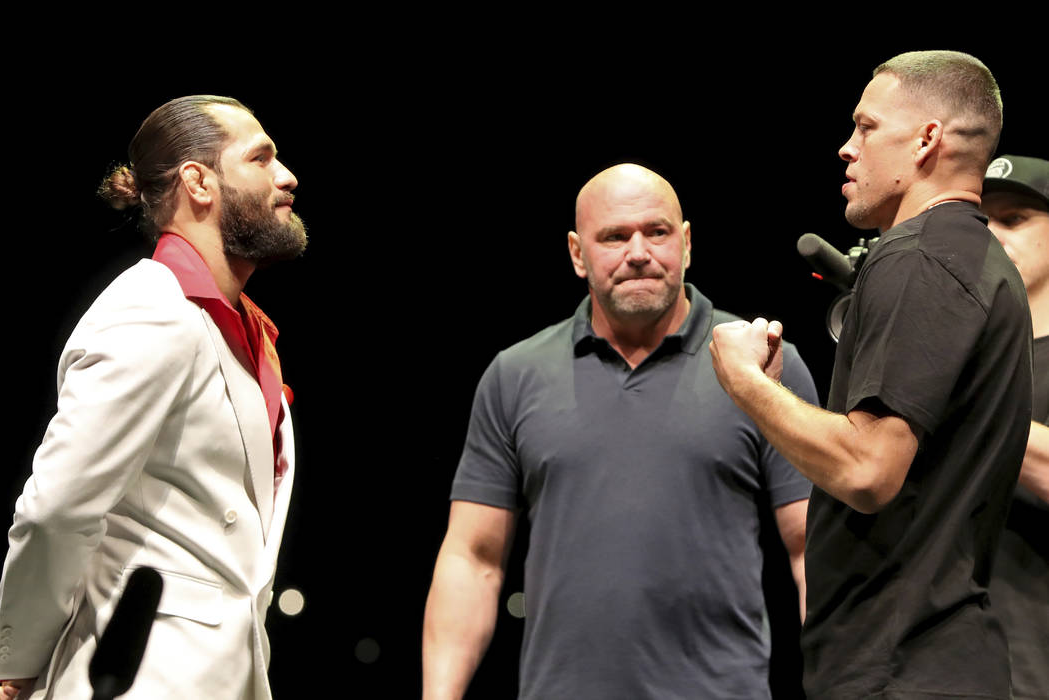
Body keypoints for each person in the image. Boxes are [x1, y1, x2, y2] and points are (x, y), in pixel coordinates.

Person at [423, 163, 818, 699]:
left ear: (686, 242)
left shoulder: (762, 364)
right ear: (577, 253)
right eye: (613, 236)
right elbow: (473, 559)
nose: (637, 252)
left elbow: (810, 549)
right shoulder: (516, 375)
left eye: (656, 232)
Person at [709, 50, 1032, 698]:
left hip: (901, 666)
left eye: (865, 127)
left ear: (926, 140)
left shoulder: (916, 258)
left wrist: (744, 382)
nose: (846, 148)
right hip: (932, 659)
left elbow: (867, 469)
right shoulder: (984, 263)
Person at [0, 95, 306, 700]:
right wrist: (19, 663)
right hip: (139, 676)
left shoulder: (236, 329)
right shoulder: (151, 308)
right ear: (199, 182)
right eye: (261, 158)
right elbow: (57, 507)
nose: (286, 175)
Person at [981, 154, 1049, 699]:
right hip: (946, 652)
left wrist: (964, 399)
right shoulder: (959, 357)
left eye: (1014, 219)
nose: (992, 235)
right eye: (981, 221)